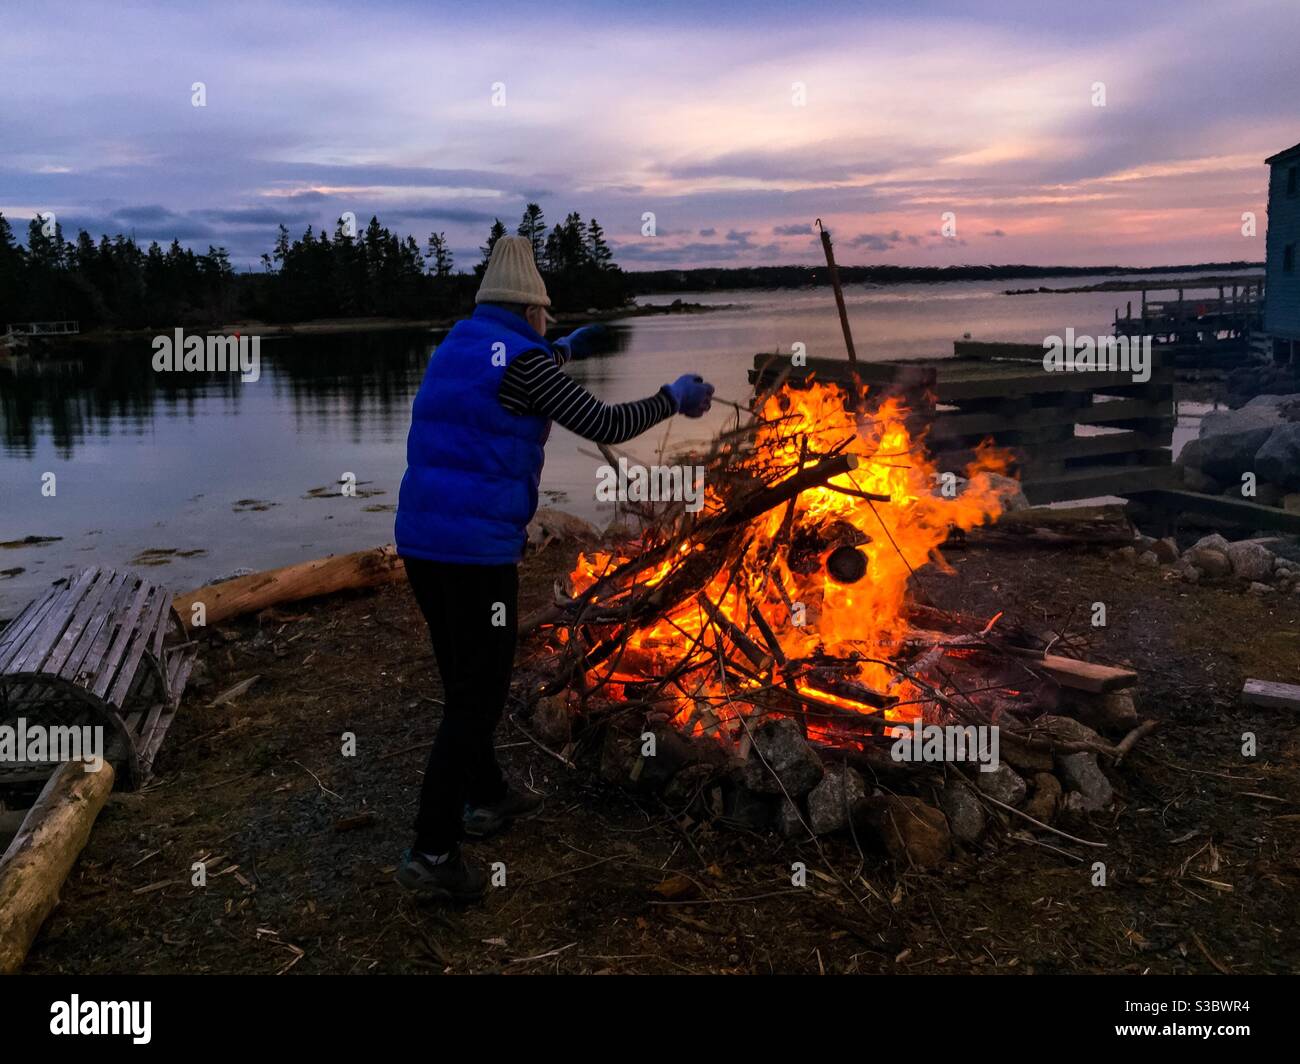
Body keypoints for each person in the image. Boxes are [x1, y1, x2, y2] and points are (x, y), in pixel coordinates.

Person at [393, 236, 714, 902]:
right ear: (531, 309)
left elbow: (521, 365)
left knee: (463, 682)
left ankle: (485, 800)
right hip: (475, 555)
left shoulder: (459, 345)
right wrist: (670, 397)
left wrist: (573, 347)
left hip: (422, 544)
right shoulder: (527, 362)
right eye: (546, 316)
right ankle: (431, 851)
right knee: (476, 700)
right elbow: (603, 418)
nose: (546, 326)